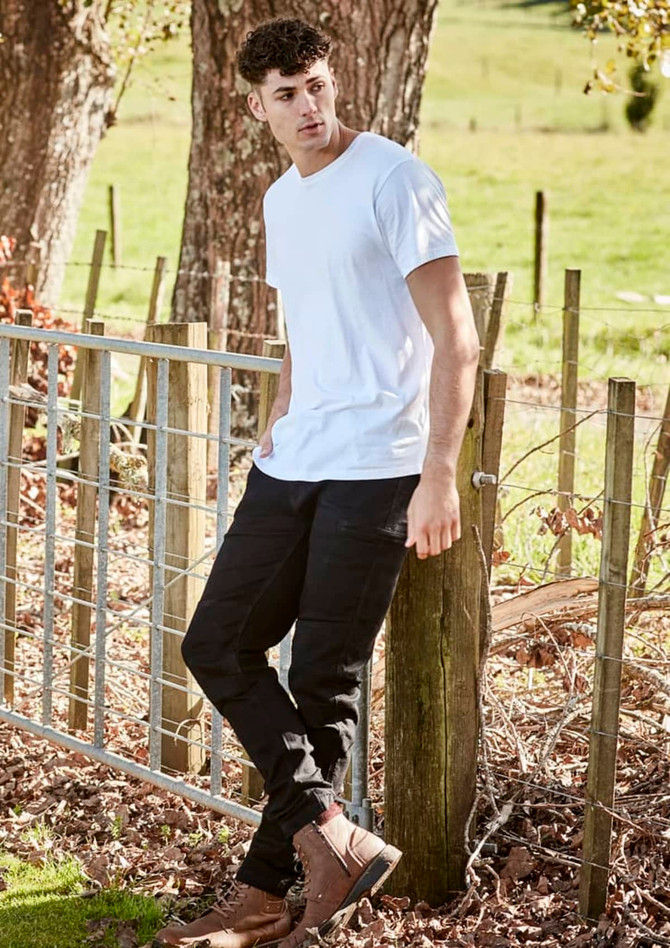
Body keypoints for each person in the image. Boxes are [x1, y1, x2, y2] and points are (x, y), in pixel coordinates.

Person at [154, 16, 479, 948]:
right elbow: (304, 325)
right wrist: (276, 427)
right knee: (217, 644)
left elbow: (456, 335)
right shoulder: (279, 200)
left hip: (379, 466)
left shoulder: (393, 178)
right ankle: (331, 836)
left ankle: (265, 896)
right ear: (256, 107)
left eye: (317, 86)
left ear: (334, 82)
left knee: (324, 680)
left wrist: (438, 475)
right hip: (296, 460)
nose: (308, 108)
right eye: (285, 96)